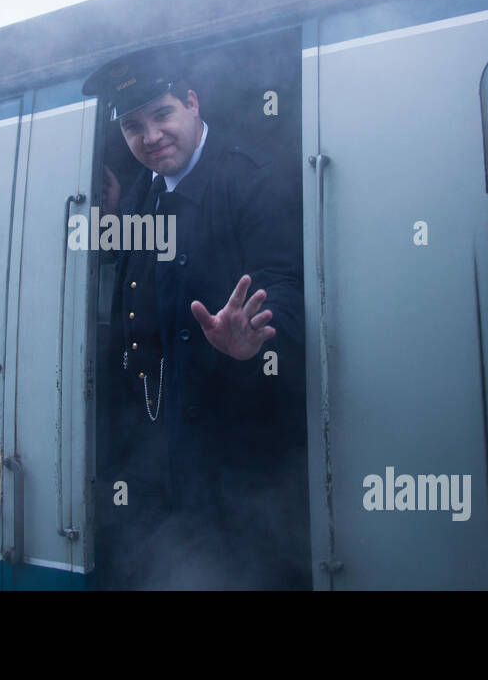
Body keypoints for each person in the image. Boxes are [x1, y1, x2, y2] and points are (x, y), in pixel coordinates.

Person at [82, 44, 310, 589]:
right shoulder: (140, 194)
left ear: (191, 103)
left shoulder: (251, 178)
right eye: (134, 126)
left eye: (162, 115)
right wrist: (109, 223)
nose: (151, 136)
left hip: (239, 461)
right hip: (156, 450)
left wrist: (254, 338)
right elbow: (137, 273)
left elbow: (287, 284)